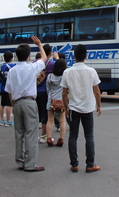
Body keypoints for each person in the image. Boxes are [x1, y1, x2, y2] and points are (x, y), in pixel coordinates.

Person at [5, 36, 47, 172]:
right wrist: (39, 45)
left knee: (19, 133)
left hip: (17, 103)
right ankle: (30, 164)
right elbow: (44, 59)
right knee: (31, 133)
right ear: (28, 57)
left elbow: (9, 91)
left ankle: (20, 161)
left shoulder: (12, 71)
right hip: (29, 102)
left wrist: (13, 105)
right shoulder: (31, 68)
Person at [62, 44, 102, 173]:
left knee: (73, 136)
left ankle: (74, 164)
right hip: (88, 108)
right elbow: (97, 91)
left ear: (73, 56)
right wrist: (99, 106)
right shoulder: (91, 71)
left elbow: (64, 92)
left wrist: (66, 107)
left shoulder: (67, 72)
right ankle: (90, 164)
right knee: (89, 136)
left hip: (73, 108)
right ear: (86, 56)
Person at [46, 56, 66, 147]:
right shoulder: (64, 77)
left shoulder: (50, 76)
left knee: (50, 120)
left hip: (51, 101)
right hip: (61, 101)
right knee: (62, 121)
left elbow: (47, 89)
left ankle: (49, 138)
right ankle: (61, 139)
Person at [35, 44, 54, 143]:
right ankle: (43, 135)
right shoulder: (52, 63)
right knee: (45, 115)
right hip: (46, 92)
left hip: (35, 91)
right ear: (50, 53)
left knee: (38, 113)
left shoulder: (36, 62)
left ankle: (36, 135)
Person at [0, 51, 15, 127]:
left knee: (2, 104)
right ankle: (8, 120)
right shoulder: (12, 65)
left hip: (3, 87)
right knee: (9, 105)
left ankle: (2, 120)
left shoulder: (2, 66)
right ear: (11, 58)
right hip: (8, 88)